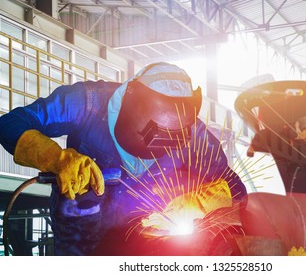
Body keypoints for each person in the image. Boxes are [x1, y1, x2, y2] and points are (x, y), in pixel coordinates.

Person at [0, 62, 246, 255]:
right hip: (79, 230)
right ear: (130, 100)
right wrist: (56, 158)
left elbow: (235, 188)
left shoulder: (194, 133)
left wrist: (199, 204)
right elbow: (9, 124)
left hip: (147, 237)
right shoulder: (87, 103)